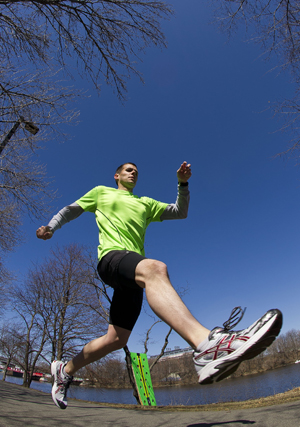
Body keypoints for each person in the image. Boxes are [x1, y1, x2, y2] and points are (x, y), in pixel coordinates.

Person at [36, 162, 282, 409]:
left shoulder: (145, 203)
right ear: (117, 175)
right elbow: (71, 209)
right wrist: (51, 227)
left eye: (136, 171)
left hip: (132, 273)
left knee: (116, 339)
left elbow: (179, 211)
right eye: (128, 170)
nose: (134, 173)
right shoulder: (101, 192)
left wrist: (182, 184)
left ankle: (64, 370)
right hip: (111, 259)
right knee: (155, 269)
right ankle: (205, 345)